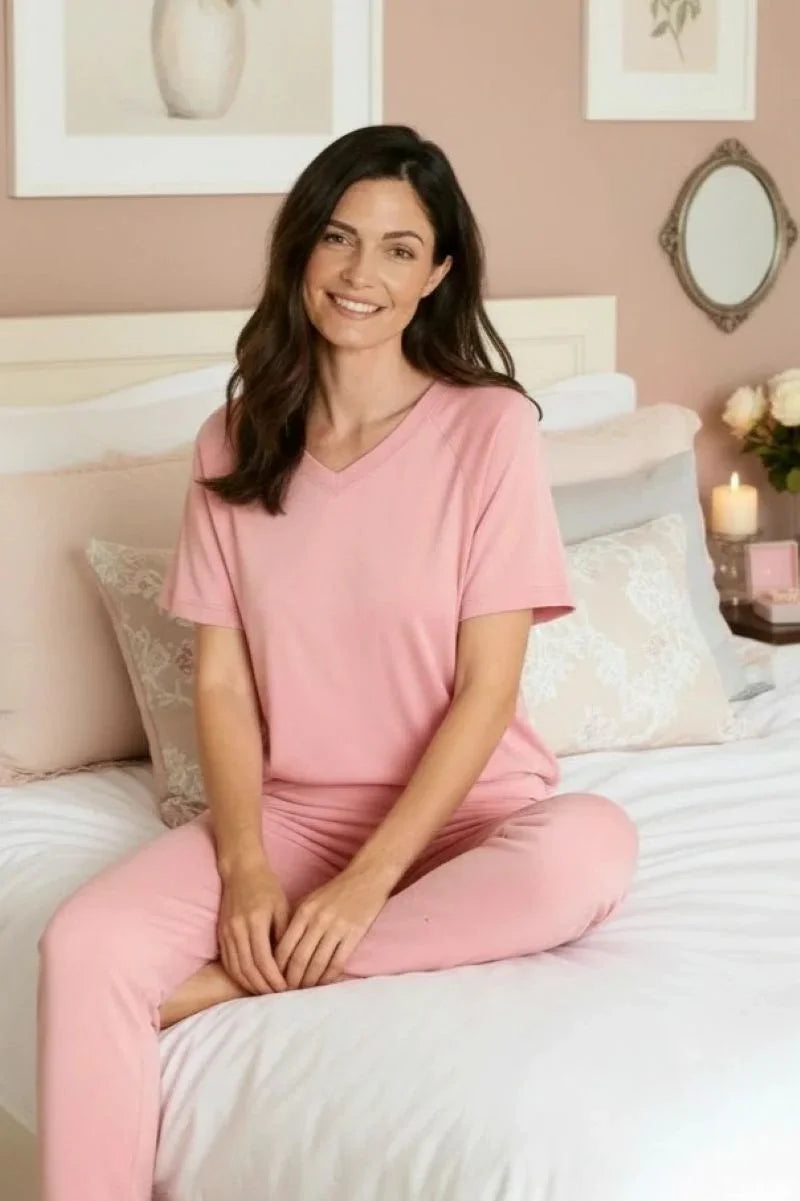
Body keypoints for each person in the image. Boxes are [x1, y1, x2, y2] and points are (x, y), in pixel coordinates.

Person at [35, 123, 639, 1201]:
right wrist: (247, 866)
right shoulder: (233, 440)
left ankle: (223, 988)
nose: (363, 273)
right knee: (82, 946)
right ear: (299, 253)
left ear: (437, 274)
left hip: (467, 813)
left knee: (587, 848)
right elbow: (218, 682)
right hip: (293, 814)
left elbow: (486, 688)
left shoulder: (488, 430)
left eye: (400, 249)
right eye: (338, 238)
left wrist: (365, 886)